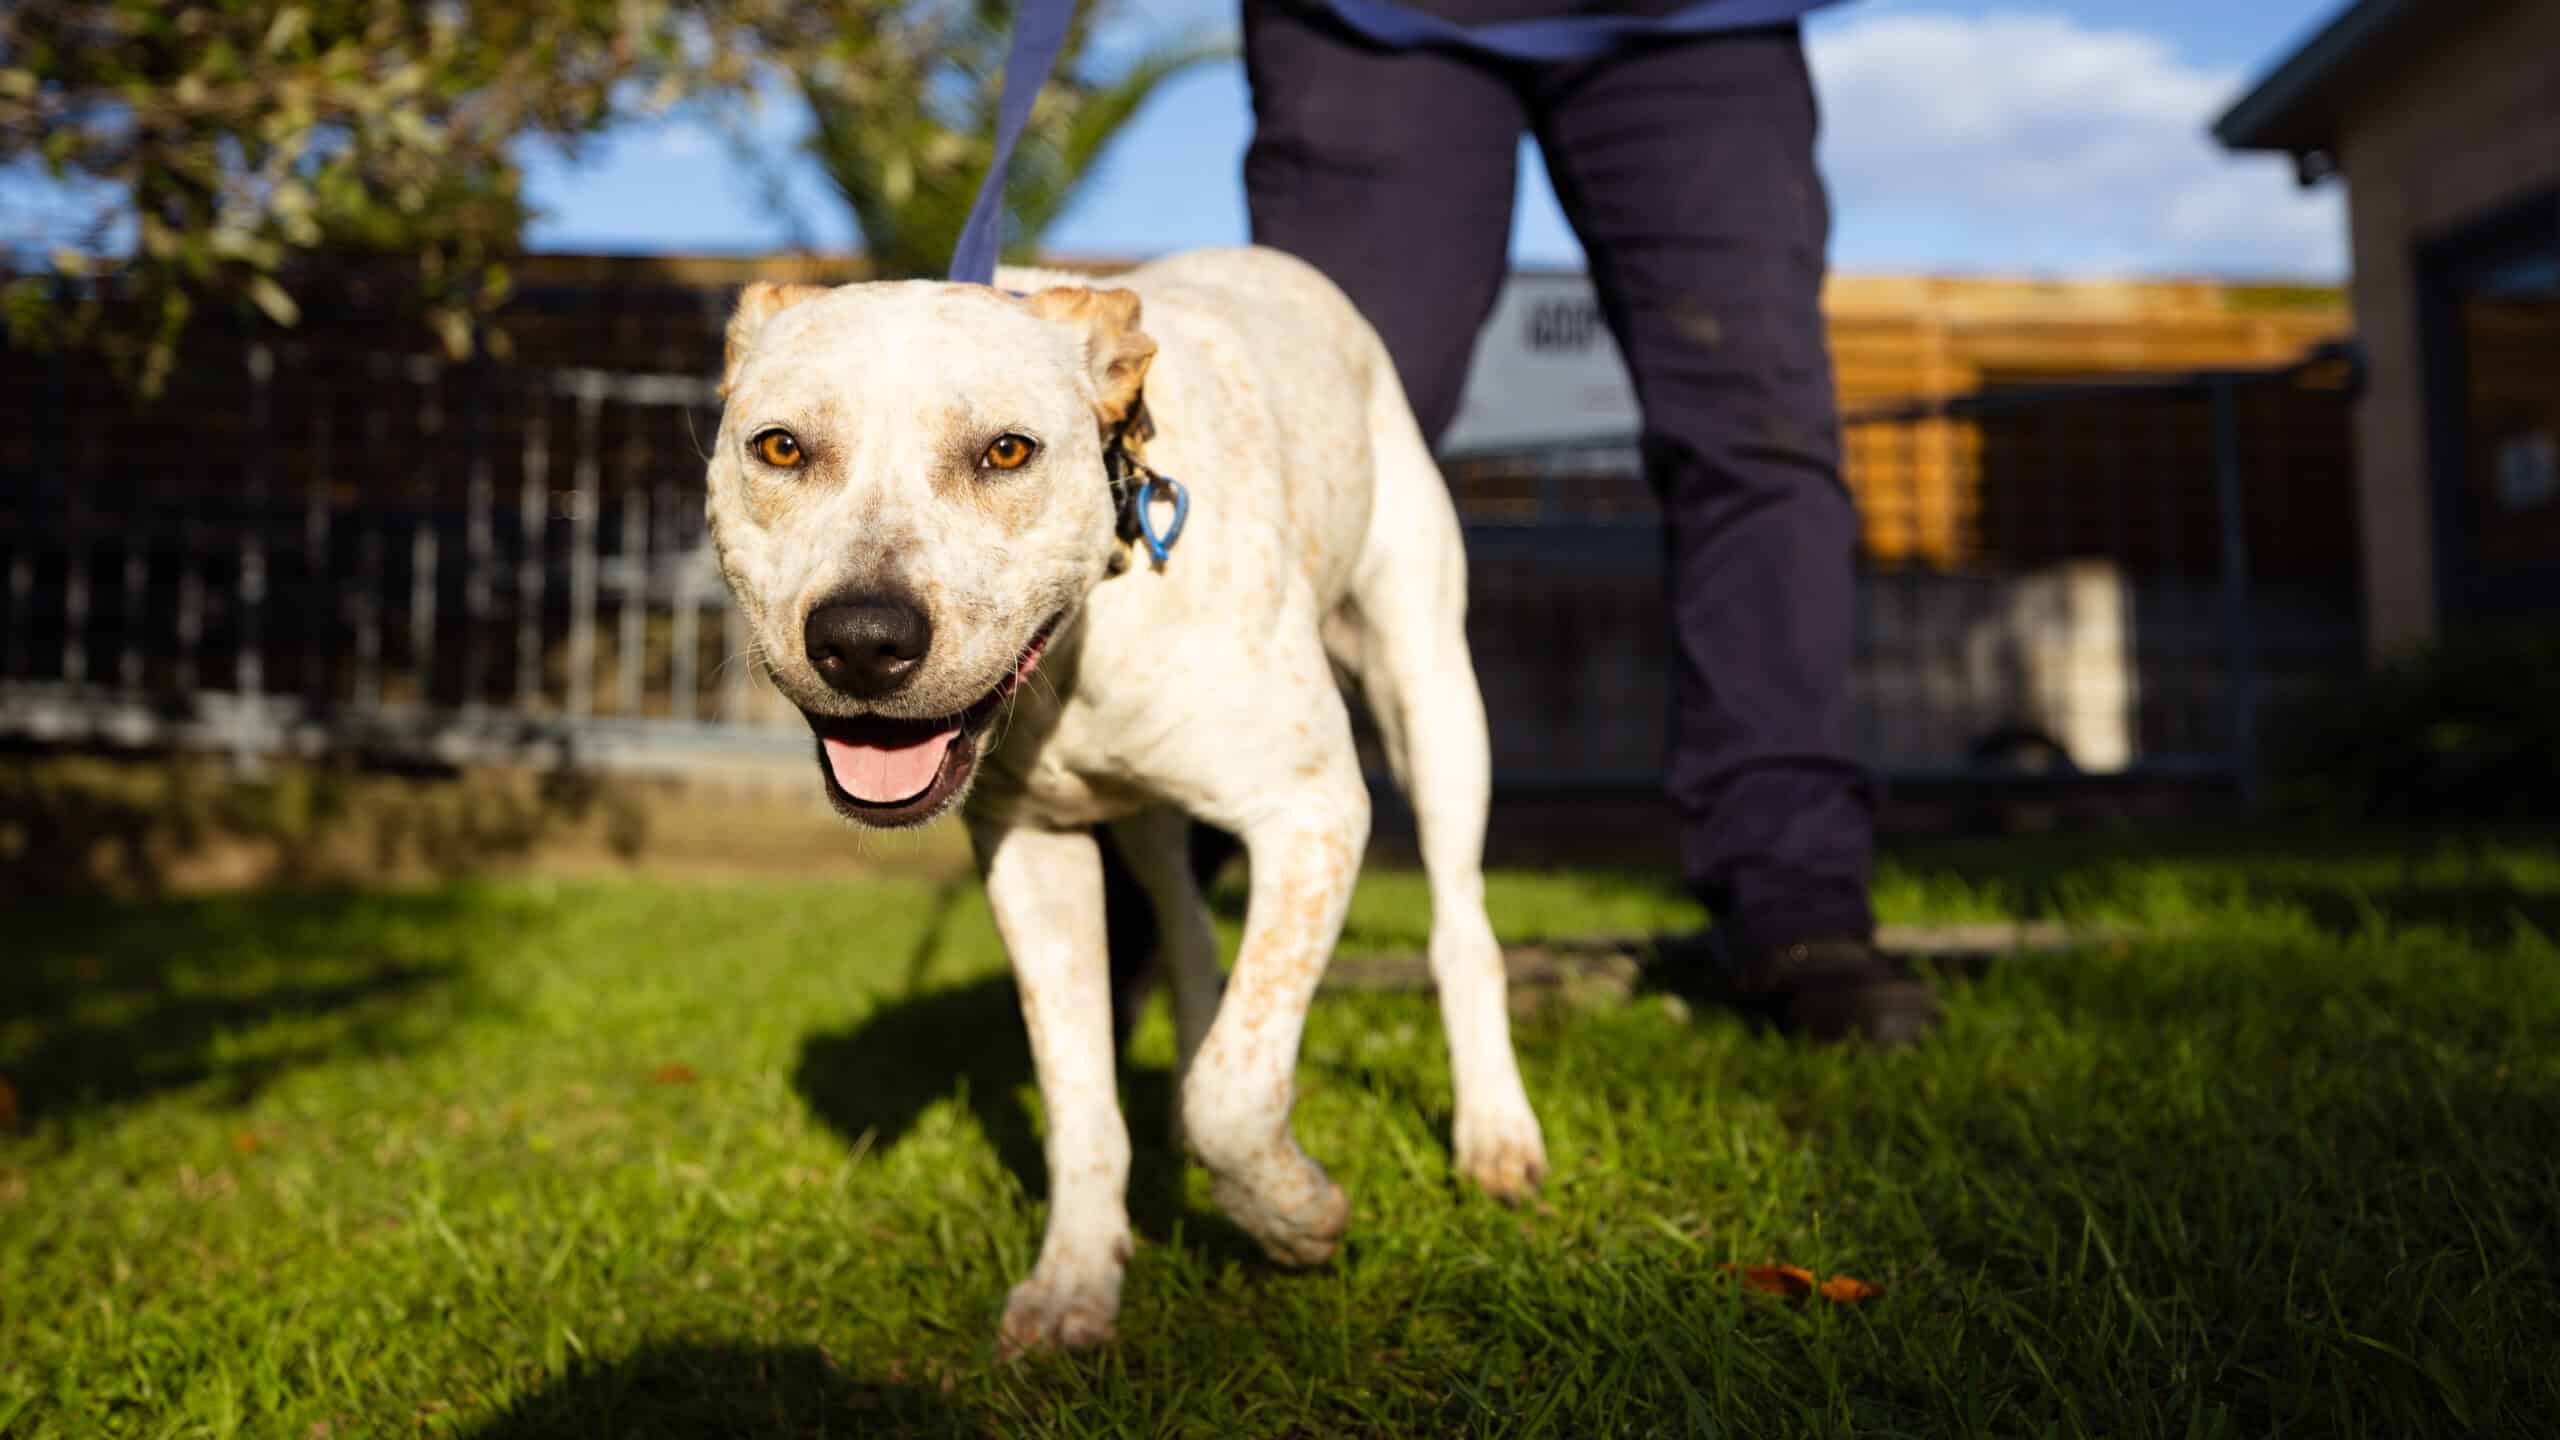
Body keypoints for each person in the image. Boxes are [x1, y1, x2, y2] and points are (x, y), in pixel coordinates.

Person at [1103, 0, 1938, 1047]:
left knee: (1759, 440)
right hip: (1375, 22)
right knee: (1298, 450)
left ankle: (1798, 903)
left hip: (1701, 25)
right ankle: (1142, 880)